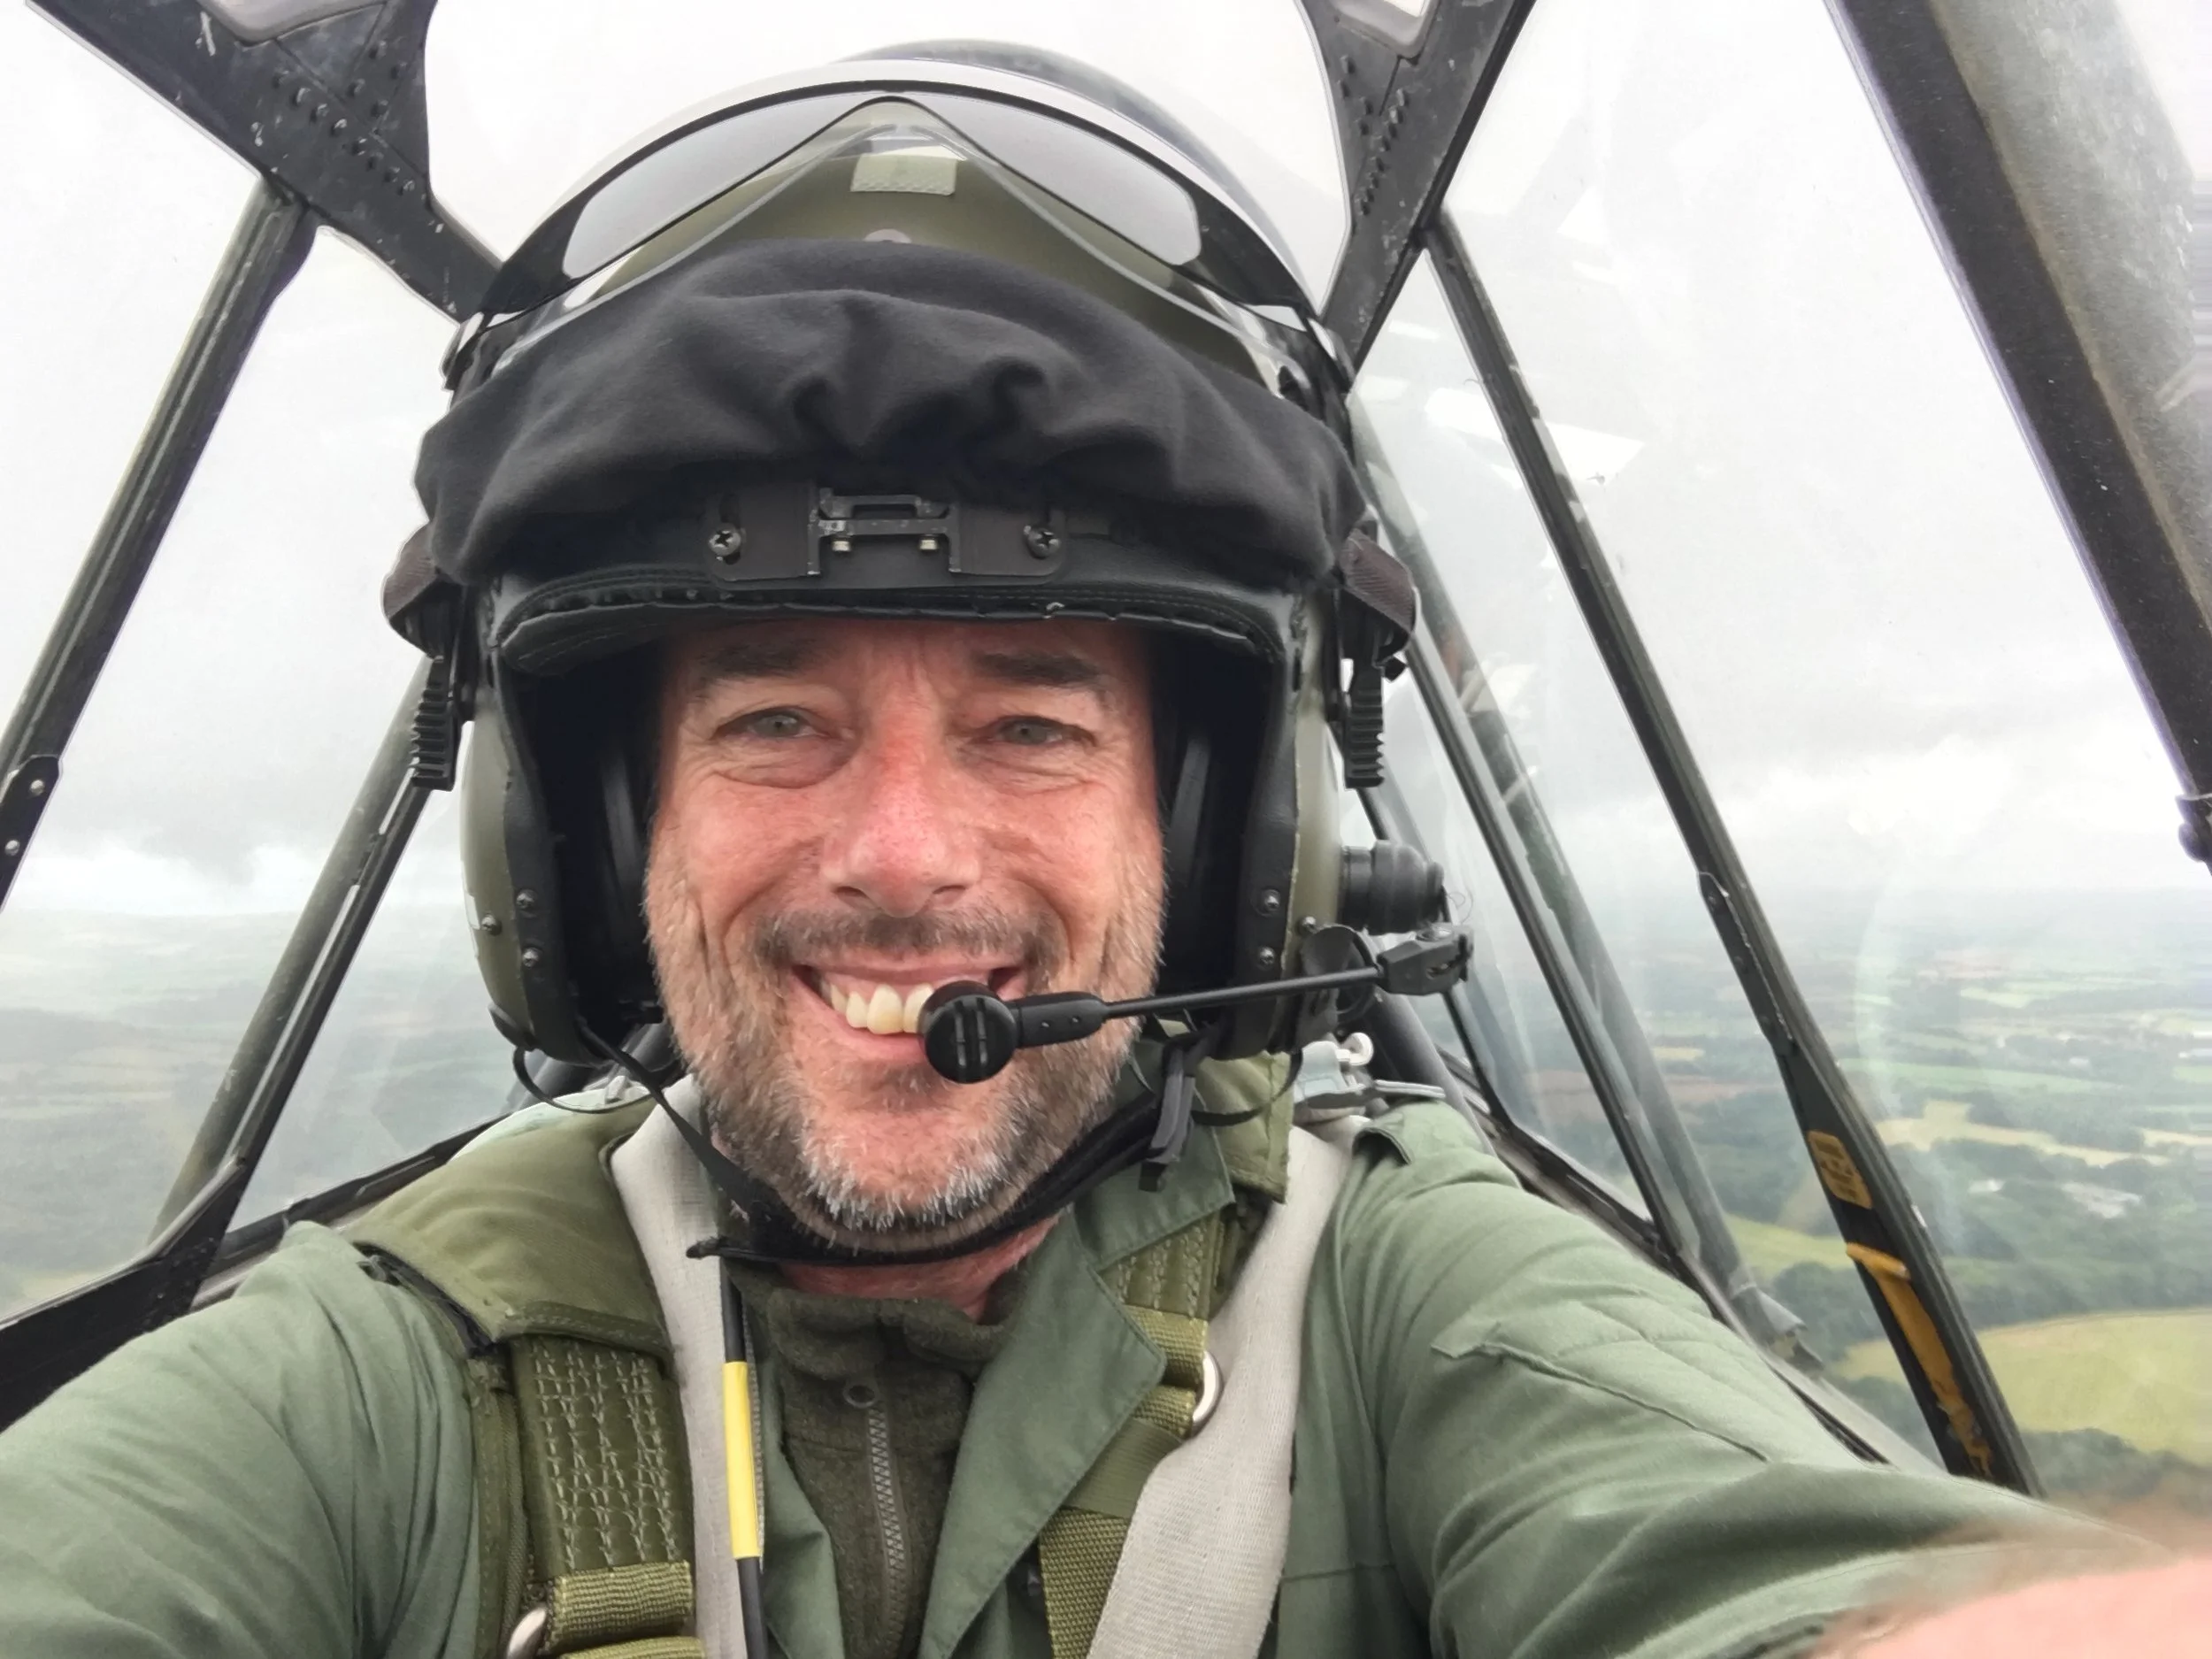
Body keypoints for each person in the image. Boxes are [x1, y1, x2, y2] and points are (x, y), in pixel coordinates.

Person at [0, 50, 2124, 1659]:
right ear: (587, 839)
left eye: (1029, 725)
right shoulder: (378, 1364)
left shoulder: (1402, 1300)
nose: (899, 852)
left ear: (1221, 848)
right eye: (771, 720)